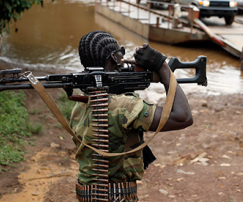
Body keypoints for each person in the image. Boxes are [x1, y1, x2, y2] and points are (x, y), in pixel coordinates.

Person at [69, 31, 193, 201]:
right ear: (114, 57)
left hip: (87, 195)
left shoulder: (81, 103)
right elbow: (183, 117)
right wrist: (163, 67)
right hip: (115, 197)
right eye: (121, 52)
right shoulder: (125, 107)